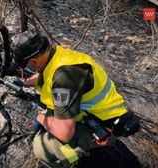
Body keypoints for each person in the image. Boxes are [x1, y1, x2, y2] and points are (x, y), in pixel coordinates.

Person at [10, 30, 140, 167]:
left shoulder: (64, 77)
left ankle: (75, 161)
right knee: (51, 122)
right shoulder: (58, 55)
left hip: (103, 127)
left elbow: (64, 133)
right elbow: (48, 75)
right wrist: (25, 82)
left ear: (33, 61)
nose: (25, 70)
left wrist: (40, 118)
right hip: (93, 114)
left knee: (42, 149)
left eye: (25, 67)